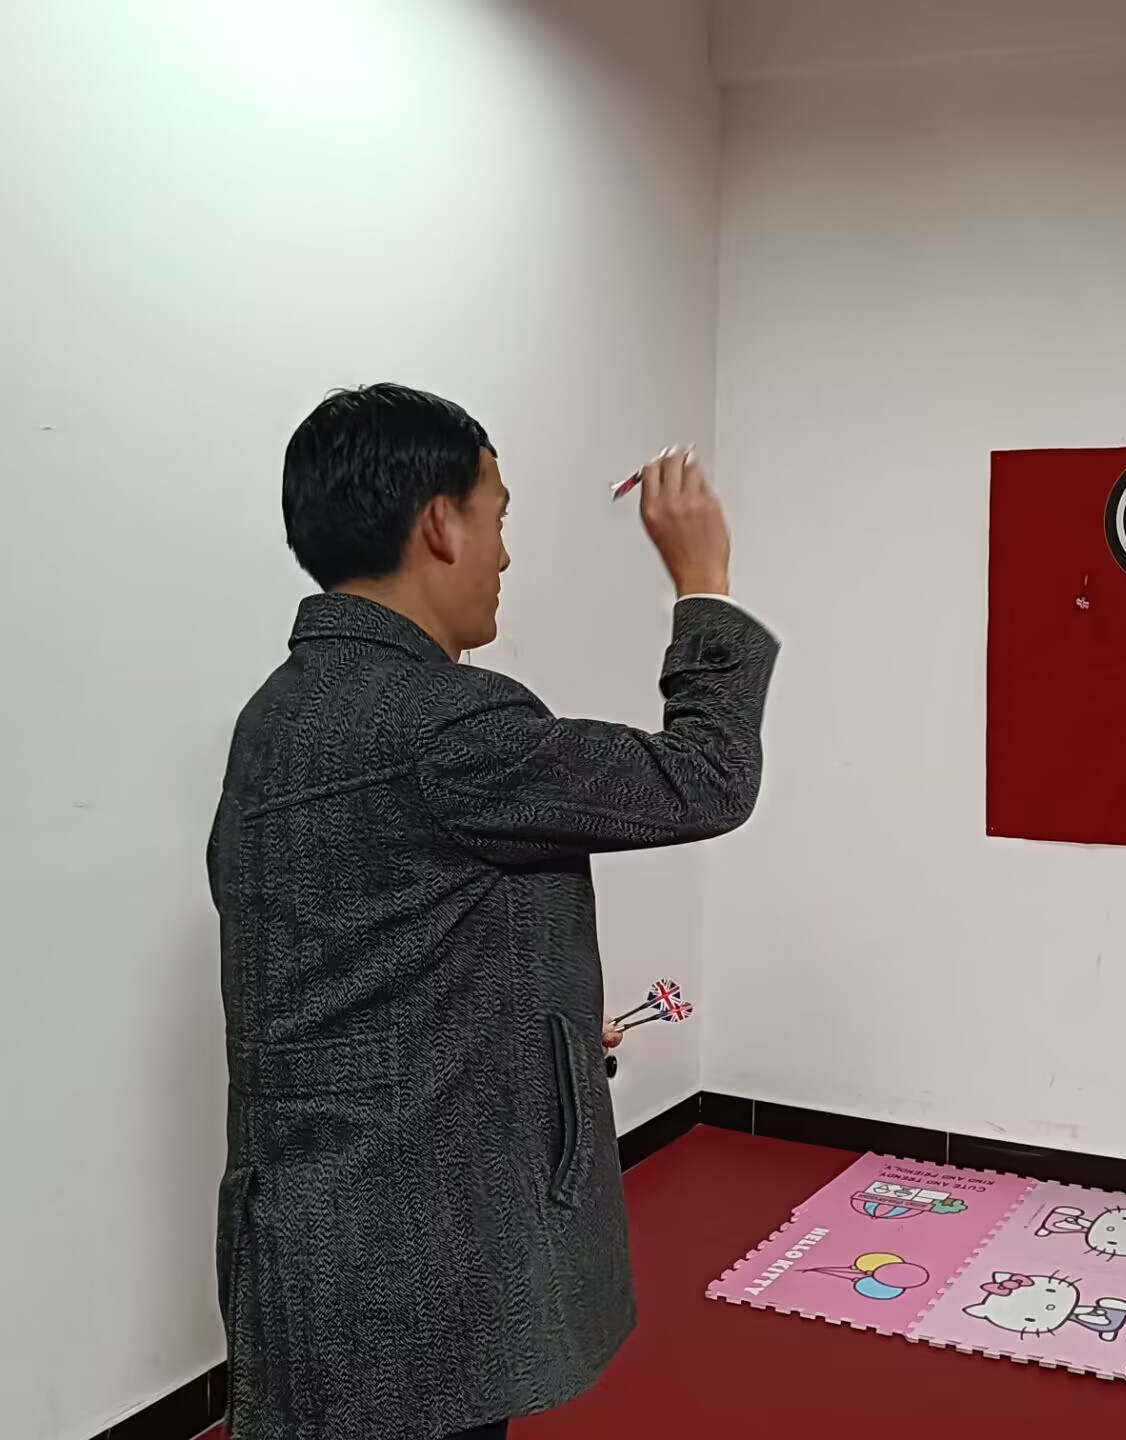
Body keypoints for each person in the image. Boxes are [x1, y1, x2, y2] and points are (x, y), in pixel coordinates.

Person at [208, 385, 778, 1440]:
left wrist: (528, 1028)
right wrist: (703, 581)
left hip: (310, 1246)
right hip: (416, 1263)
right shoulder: (448, 726)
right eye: (499, 518)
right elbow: (706, 779)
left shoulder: (277, 715)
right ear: (440, 524)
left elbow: (353, 969)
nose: (506, 556)